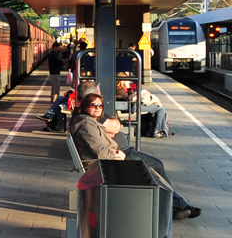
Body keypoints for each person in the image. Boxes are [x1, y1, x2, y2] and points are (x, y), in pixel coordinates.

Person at [70, 93, 200, 220]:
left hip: (117, 157)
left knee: (156, 167)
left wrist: (105, 131)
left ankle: (175, 206)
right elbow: (100, 151)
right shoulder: (86, 123)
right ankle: (175, 206)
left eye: (100, 105)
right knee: (154, 169)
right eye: (93, 105)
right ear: (85, 106)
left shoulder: (91, 121)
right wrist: (116, 155)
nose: (98, 108)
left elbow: (114, 125)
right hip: (112, 161)